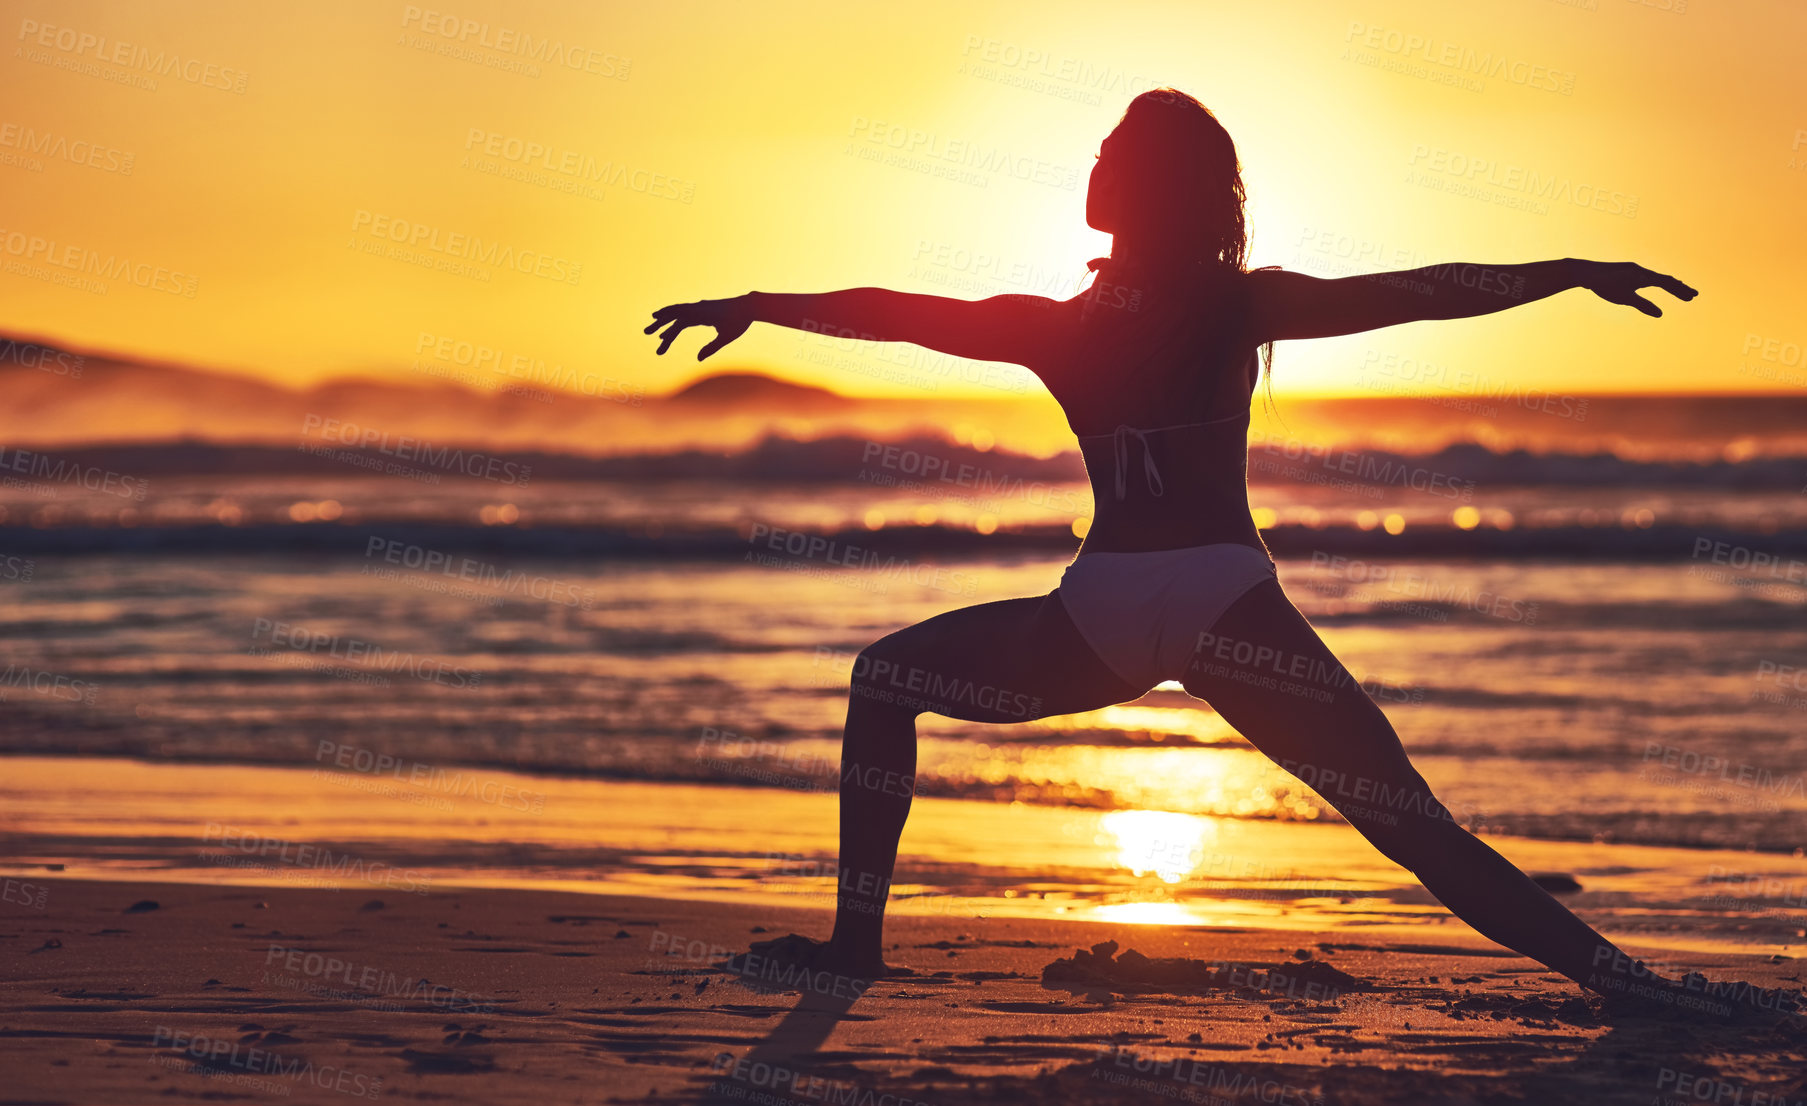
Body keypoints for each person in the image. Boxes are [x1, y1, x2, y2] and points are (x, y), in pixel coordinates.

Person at [644, 89, 1759, 1014]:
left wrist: (758, 304)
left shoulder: (1075, 321)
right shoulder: (1228, 306)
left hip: (1101, 616)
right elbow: (1413, 295)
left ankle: (854, 945)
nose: (1097, 161)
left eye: (1114, 151)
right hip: (1219, 604)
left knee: (884, 680)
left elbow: (901, 313)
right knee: (1412, 825)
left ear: (1130, 187)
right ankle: (1627, 985)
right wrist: (1564, 269)